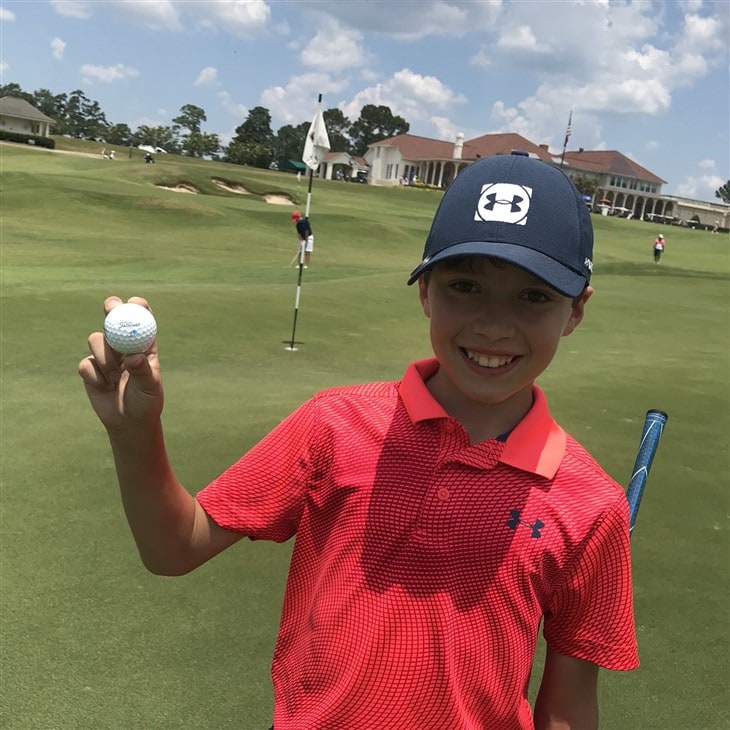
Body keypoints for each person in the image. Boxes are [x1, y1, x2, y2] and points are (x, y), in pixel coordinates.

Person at [78, 152, 638, 730]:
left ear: (576, 311)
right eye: (464, 286)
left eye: (534, 296)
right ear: (425, 291)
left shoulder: (591, 503)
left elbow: (567, 709)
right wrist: (134, 430)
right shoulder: (335, 423)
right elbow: (175, 549)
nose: (494, 324)